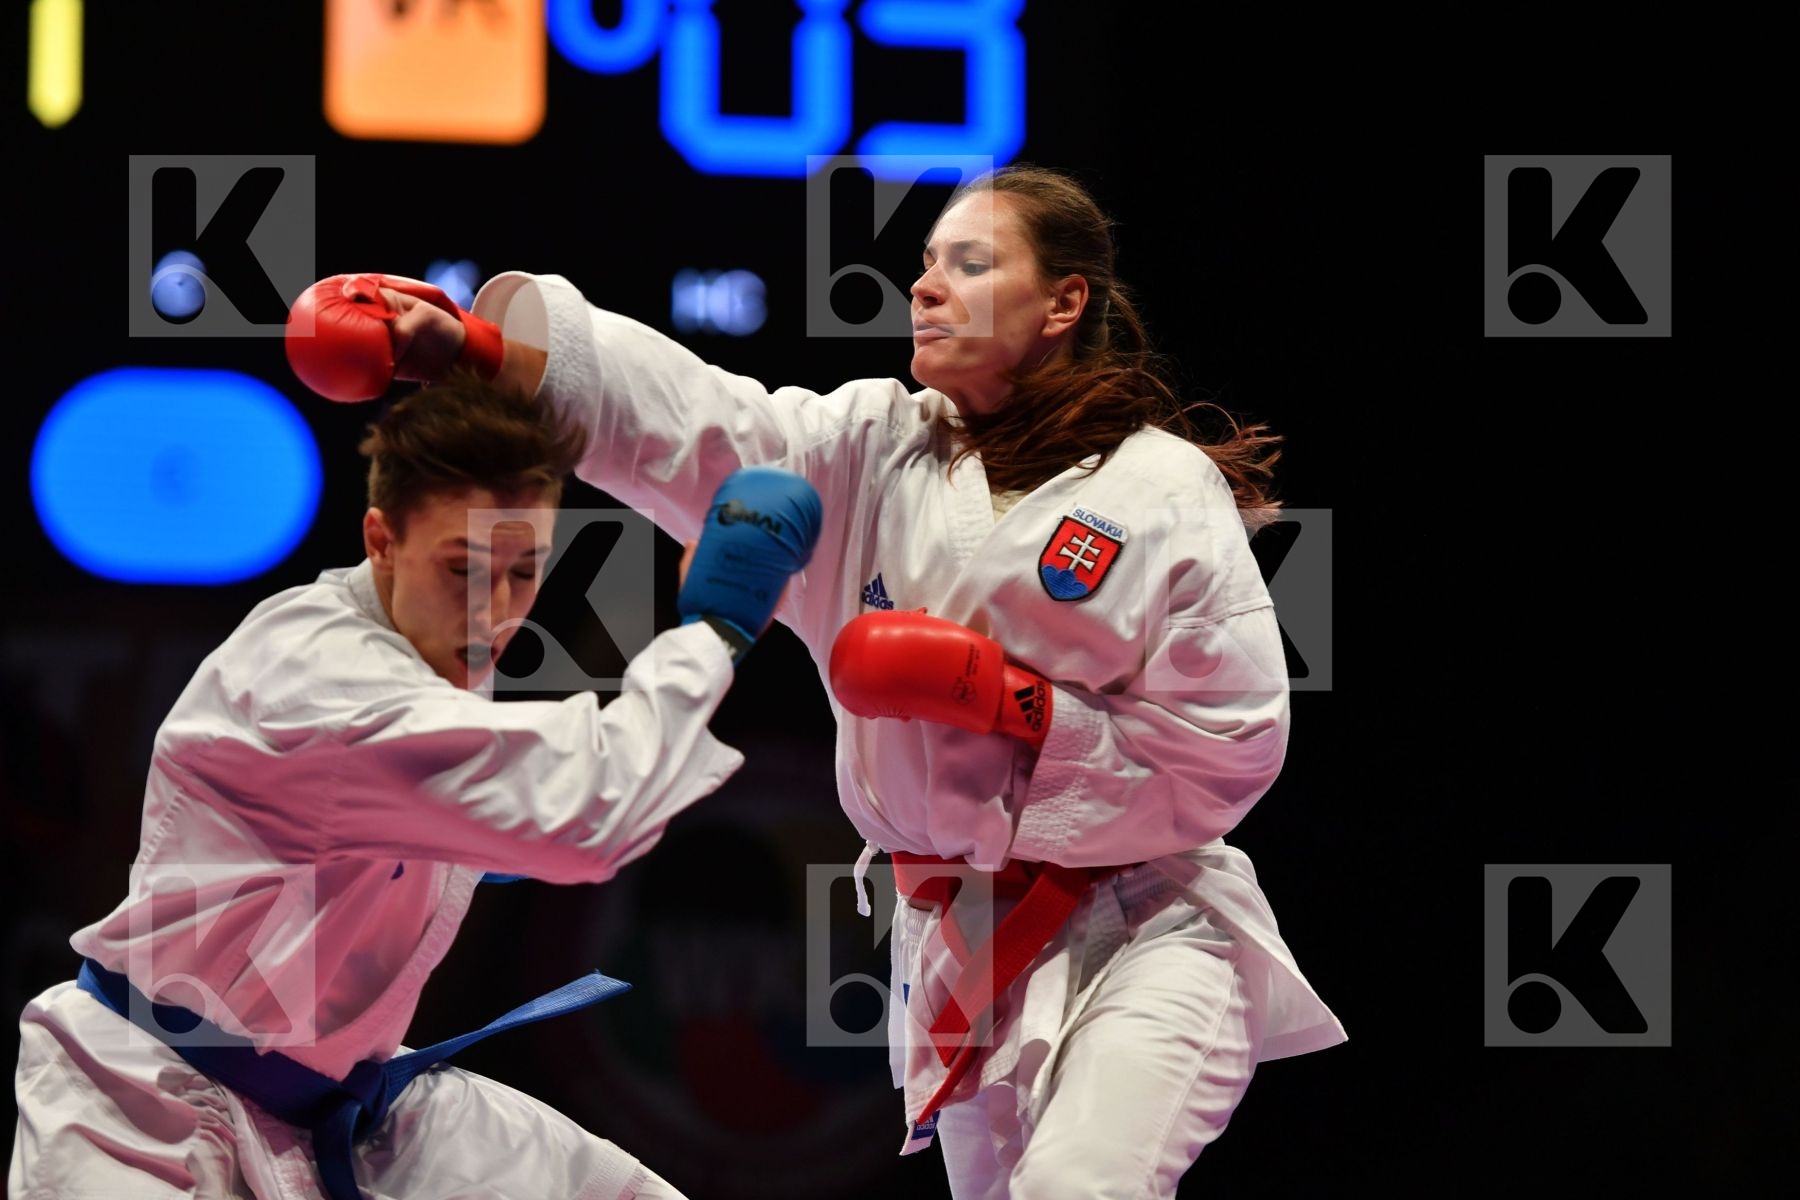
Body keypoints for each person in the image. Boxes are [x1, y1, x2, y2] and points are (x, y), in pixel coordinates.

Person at [286, 162, 1347, 1199]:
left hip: (1148, 923)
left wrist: (1010, 701)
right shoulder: (871, 448)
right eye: (927, 263)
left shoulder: (1162, 487)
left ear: (1064, 302)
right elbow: (696, 421)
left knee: (1083, 1181)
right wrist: (474, 348)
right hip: (963, 941)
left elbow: (1231, 744)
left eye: (971, 265)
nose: (925, 287)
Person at [9, 367, 822, 1199]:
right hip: (145, 1109)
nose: (492, 613)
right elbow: (591, 812)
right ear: (381, 539)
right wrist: (715, 630)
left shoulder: (430, 642)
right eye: (463, 570)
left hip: (342, 1105)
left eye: (523, 571)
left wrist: (472, 846)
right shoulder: (323, 678)